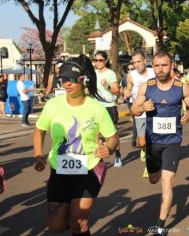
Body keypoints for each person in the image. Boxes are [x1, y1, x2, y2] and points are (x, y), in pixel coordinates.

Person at [33, 54, 118, 236]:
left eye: (72, 80)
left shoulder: (96, 108)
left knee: (78, 221)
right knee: (55, 226)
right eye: (64, 79)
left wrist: (109, 148)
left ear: (83, 80)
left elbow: (113, 137)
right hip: (59, 169)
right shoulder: (53, 105)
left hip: (89, 169)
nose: (67, 84)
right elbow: (39, 130)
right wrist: (38, 154)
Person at [131, 51, 189, 235]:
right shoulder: (147, 86)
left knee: (167, 181)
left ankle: (160, 225)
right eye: (157, 65)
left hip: (172, 141)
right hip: (152, 141)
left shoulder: (181, 87)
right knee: (154, 179)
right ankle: (157, 168)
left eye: (164, 65)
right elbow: (133, 110)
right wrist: (141, 107)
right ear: (153, 66)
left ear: (171, 66)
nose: (160, 69)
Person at [124, 50, 156, 177]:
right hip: (139, 111)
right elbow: (129, 89)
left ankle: (149, 166)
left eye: (139, 61)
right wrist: (126, 93)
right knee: (142, 142)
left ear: (144, 61)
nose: (136, 64)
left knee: (152, 140)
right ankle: (144, 149)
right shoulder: (131, 75)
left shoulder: (153, 72)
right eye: (134, 62)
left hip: (153, 110)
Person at [93, 51, 122, 168]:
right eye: (96, 60)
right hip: (96, 107)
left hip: (109, 107)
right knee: (95, 134)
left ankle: (118, 155)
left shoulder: (110, 74)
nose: (98, 62)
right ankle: (98, 159)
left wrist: (107, 86)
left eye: (101, 60)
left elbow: (116, 90)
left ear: (105, 61)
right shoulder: (93, 73)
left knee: (112, 135)